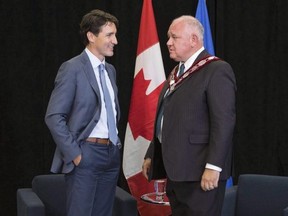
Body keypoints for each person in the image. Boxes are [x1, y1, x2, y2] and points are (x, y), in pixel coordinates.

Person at [142, 15, 236, 216]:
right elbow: (168, 117)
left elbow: (224, 122)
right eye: (169, 37)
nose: (168, 42)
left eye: (174, 37)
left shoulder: (216, 70)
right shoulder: (177, 71)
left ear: (194, 40)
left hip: (200, 173)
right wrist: (153, 152)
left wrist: (214, 166)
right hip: (177, 172)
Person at [45, 9, 121, 216]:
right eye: (109, 35)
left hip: (112, 154)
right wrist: (76, 154)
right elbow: (53, 116)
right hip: (86, 154)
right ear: (91, 36)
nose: (115, 40)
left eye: (115, 34)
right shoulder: (72, 68)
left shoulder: (110, 71)